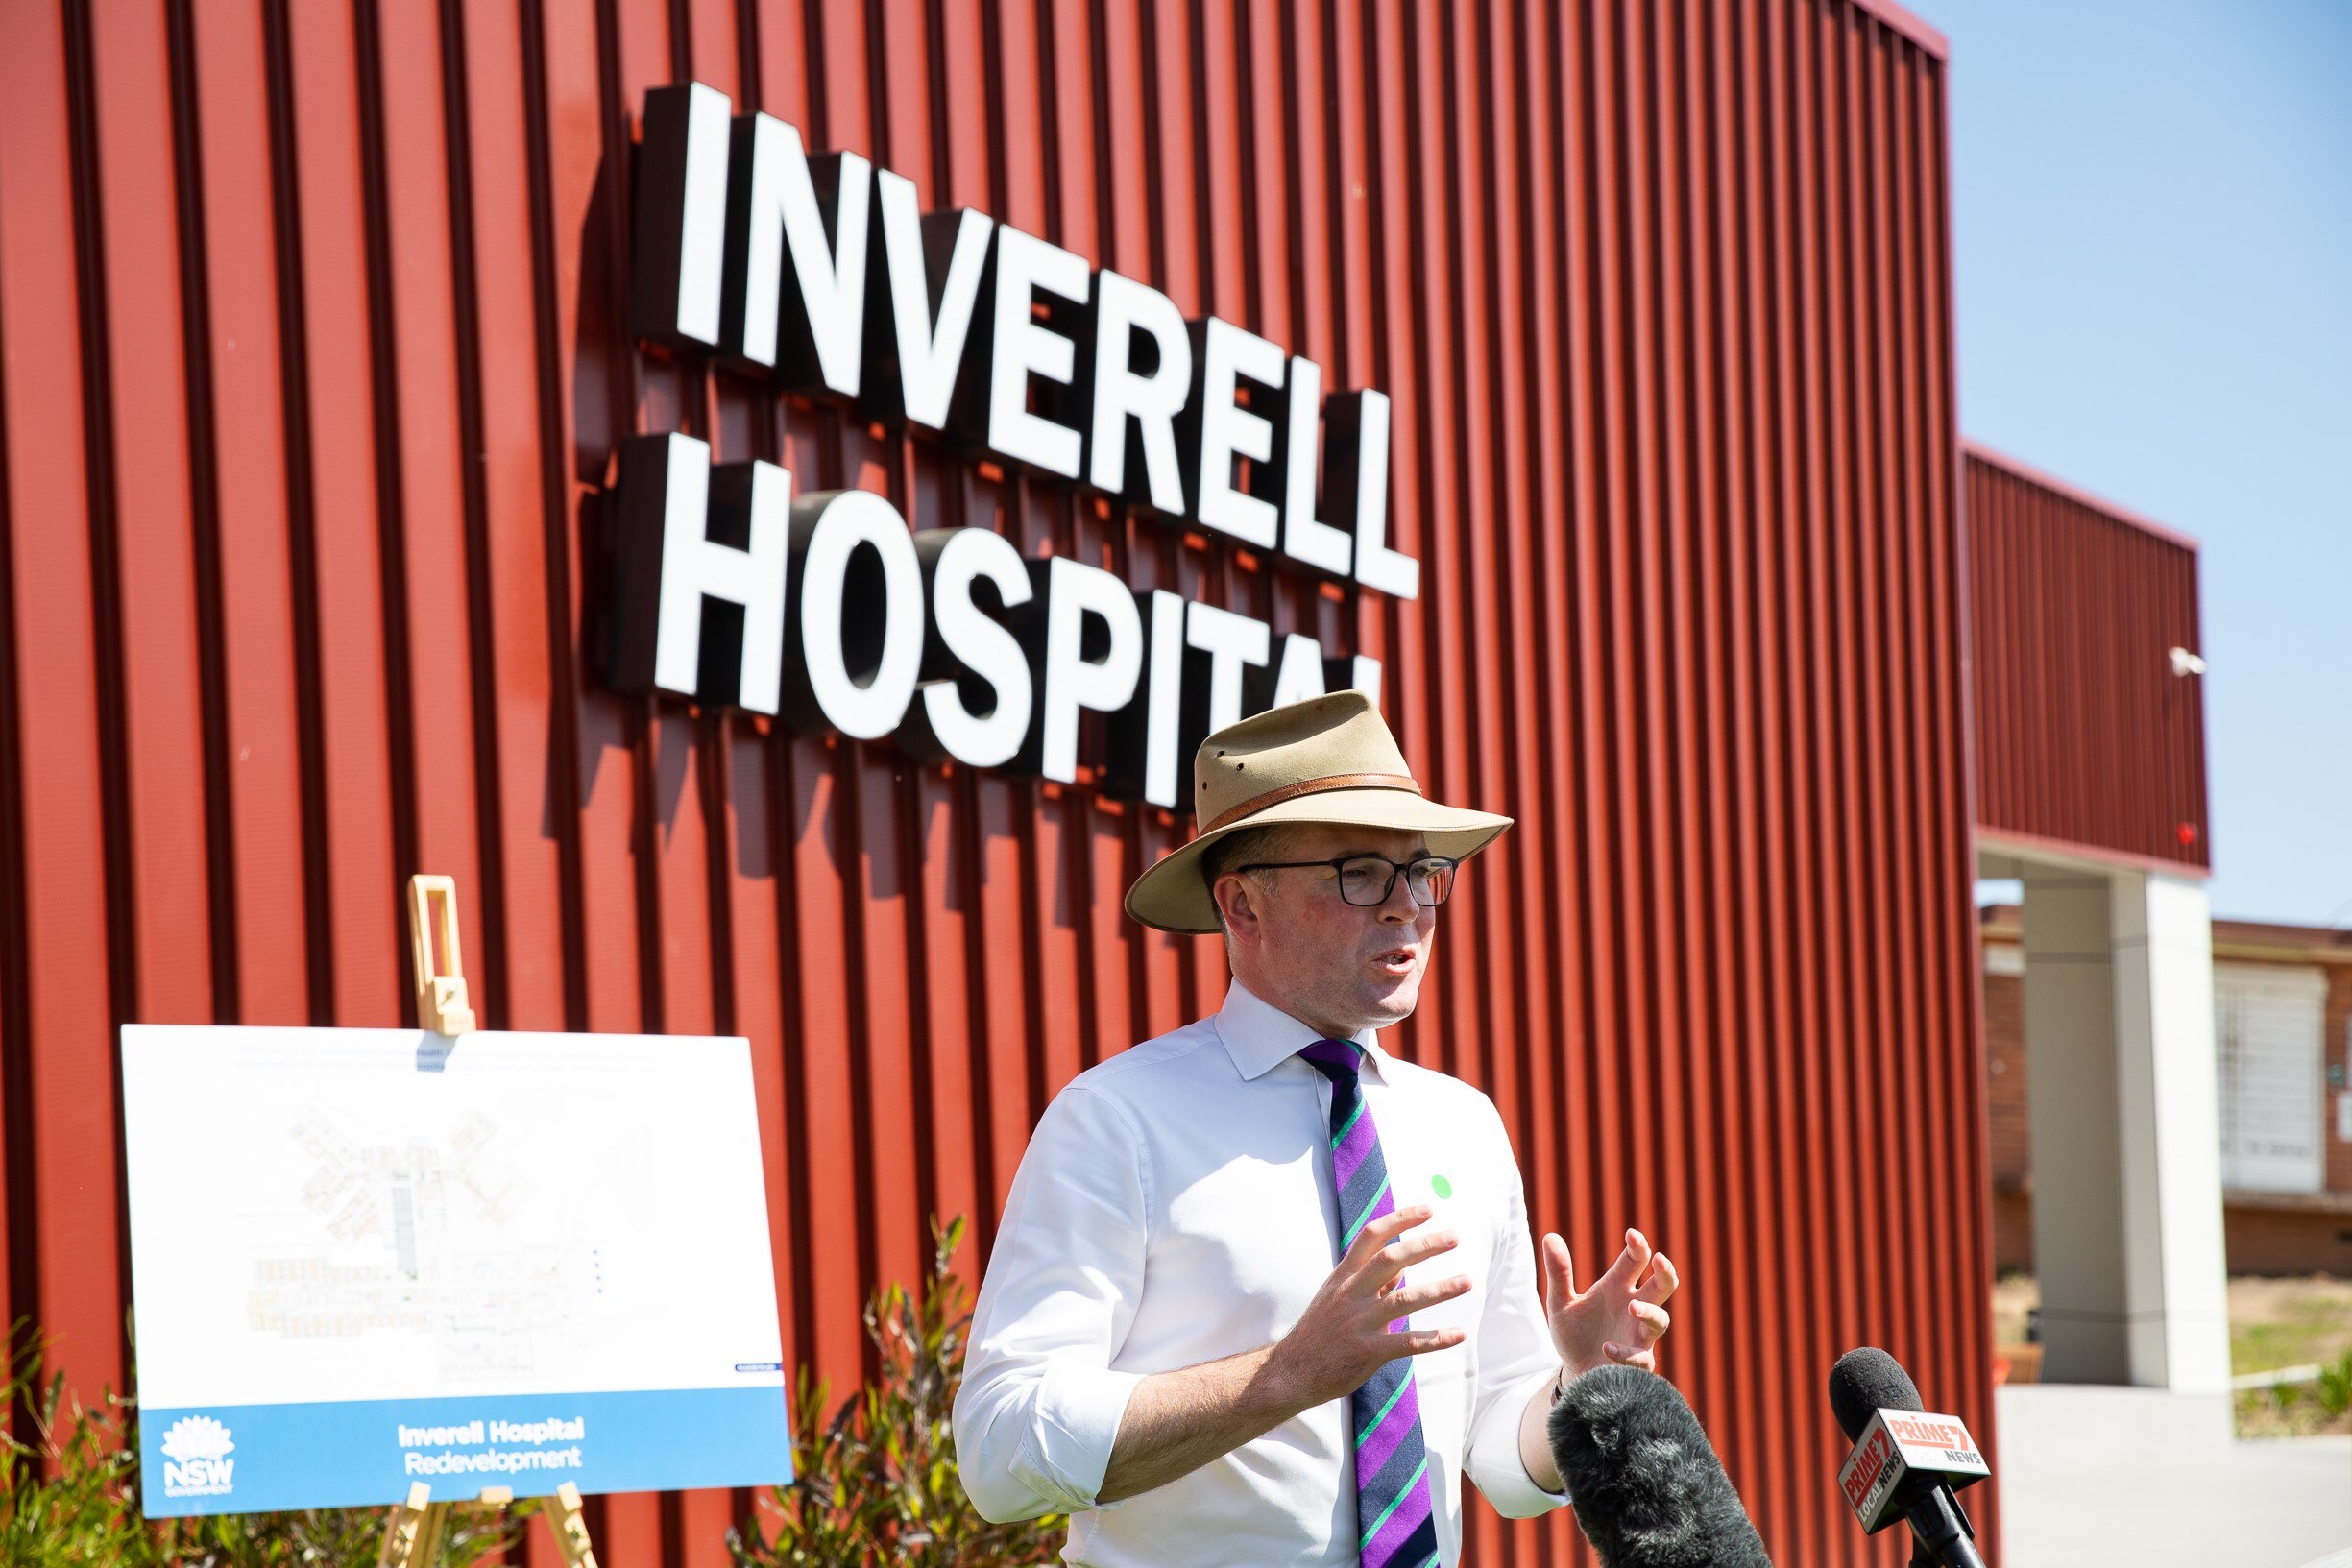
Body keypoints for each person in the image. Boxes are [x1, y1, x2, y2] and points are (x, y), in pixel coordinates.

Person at [954, 690, 1680, 1567]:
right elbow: (998, 1452)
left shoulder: (1464, 1124)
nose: (1406, 906)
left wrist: (1575, 1390)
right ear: (1240, 905)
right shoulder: (1116, 1119)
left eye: (1420, 870)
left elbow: (1496, 1458)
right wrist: (1288, 1374)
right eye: (1359, 871)